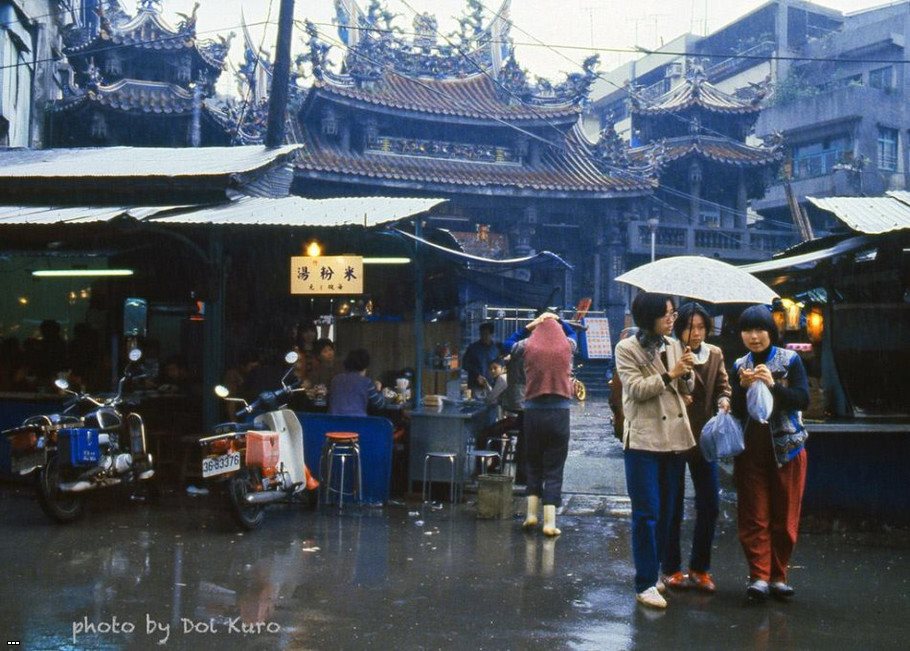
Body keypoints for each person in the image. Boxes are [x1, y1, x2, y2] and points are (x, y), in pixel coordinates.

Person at [615, 292, 695, 609]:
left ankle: (657, 571)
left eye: (674, 313)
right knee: (646, 512)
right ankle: (645, 582)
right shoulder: (627, 348)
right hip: (643, 441)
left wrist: (687, 372)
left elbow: (686, 389)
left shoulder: (674, 345)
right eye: (666, 314)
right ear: (649, 317)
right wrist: (671, 373)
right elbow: (636, 389)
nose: (672, 319)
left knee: (668, 512)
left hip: (674, 439)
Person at [731, 305, 809, 602]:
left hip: (787, 448)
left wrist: (772, 385)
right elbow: (738, 411)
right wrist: (741, 388)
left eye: (759, 329)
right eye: (747, 330)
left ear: (771, 332)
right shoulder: (740, 364)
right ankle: (759, 576)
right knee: (754, 515)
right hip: (751, 449)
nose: (754, 336)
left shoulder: (790, 360)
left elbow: (802, 399)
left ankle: (778, 575)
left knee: (784, 517)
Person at [663, 302, 732, 593]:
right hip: (675, 438)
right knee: (673, 505)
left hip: (705, 439)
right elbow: (661, 388)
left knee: (710, 504)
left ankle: (700, 568)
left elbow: (723, 386)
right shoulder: (669, 352)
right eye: (691, 327)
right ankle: (671, 568)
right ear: (680, 328)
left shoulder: (714, 353)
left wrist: (724, 400)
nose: (696, 333)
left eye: (702, 327)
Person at [512, 313, 577, 538]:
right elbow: (573, 333)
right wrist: (559, 321)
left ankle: (531, 515)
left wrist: (531, 325)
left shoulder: (527, 345)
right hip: (559, 413)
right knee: (554, 466)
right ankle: (549, 523)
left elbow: (507, 344)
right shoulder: (567, 345)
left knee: (533, 463)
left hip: (533, 413)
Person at [329, 349, 386, 417]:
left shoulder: (335, 379)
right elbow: (379, 404)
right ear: (365, 366)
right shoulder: (366, 382)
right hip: (357, 421)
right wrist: (379, 390)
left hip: (334, 421)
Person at [462, 322, 504, 395]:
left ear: (491, 334)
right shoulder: (473, 348)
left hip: (492, 384)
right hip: (475, 385)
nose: (483, 336)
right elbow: (465, 364)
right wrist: (476, 375)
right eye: (481, 334)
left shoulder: (496, 349)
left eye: (486, 334)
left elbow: (500, 365)